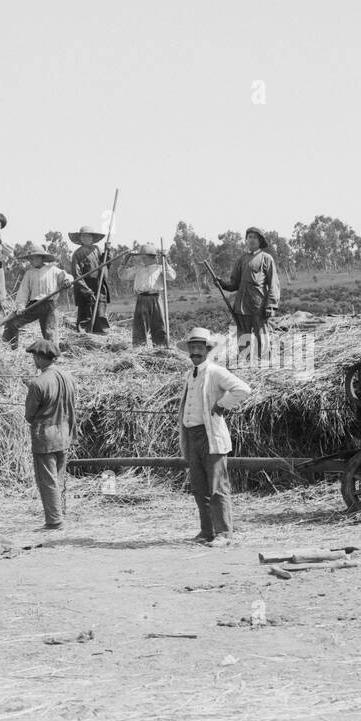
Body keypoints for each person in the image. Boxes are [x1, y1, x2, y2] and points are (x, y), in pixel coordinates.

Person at [177, 327, 251, 546]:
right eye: (193, 348)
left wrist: (221, 404)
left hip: (210, 435)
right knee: (199, 487)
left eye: (200, 347)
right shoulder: (190, 374)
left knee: (218, 486)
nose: (196, 352)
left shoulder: (216, 371)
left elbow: (243, 389)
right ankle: (206, 531)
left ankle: (224, 533)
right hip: (191, 436)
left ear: (208, 350)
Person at [24, 338, 77, 529]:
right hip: (65, 433)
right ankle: (60, 513)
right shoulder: (68, 377)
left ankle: (54, 521)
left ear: (39, 358)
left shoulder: (38, 383)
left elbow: (29, 415)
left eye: (34, 357)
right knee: (59, 478)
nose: (33, 361)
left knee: (47, 480)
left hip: (45, 437)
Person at [214, 226, 280, 359]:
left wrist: (271, 305)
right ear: (246, 240)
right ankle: (246, 362)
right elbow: (234, 284)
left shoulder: (266, 258)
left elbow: (274, 283)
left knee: (261, 334)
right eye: (249, 237)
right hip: (241, 305)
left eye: (255, 237)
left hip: (258, 305)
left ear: (260, 240)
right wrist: (222, 283)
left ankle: (265, 361)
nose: (252, 240)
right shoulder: (242, 259)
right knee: (243, 336)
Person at [4, 243, 74, 348]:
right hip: (34, 305)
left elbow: (66, 276)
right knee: (12, 322)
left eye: (34, 258)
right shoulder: (29, 273)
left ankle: (51, 354)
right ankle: (10, 347)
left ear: (41, 258)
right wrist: (21, 306)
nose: (31, 261)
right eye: (30, 258)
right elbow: (23, 291)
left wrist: (67, 281)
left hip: (49, 305)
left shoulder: (53, 270)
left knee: (50, 331)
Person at [118, 243, 176, 347]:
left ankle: (161, 348)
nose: (142, 259)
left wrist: (165, 261)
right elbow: (122, 275)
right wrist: (125, 260)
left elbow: (171, 276)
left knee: (159, 325)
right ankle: (139, 348)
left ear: (151, 257)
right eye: (141, 257)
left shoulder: (159, 268)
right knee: (140, 325)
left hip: (156, 298)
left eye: (144, 257)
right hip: (142, 299)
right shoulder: (137, 269)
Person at [69, 225, 110, 334]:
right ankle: (84, 336)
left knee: (100, 311)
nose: (87, 238)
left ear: (92, 238)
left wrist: (107, 252)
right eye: (84, 236)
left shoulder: (97, 249)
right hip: (84, 285)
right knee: (85, 312)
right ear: (80, 239)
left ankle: (102, 334)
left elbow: (106, 264)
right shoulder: (77, 254)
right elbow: (77, 275)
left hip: (98, 283)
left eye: (89, 236)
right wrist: (86, 290)